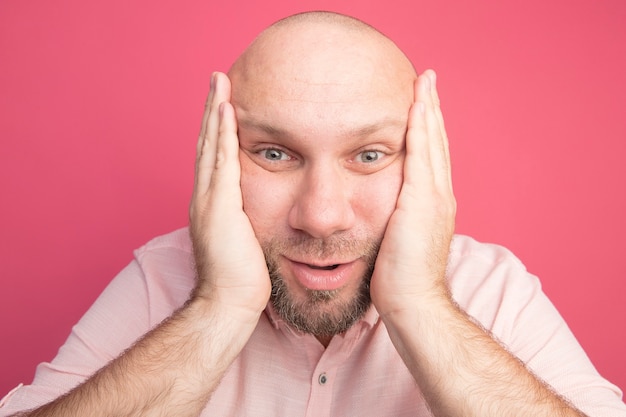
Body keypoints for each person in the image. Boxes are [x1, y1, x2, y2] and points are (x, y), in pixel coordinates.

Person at [1, 11, 625, 417]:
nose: (321, 216)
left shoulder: (490, 288)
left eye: (370, 154)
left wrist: (421, 307)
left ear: (424, 162)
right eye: (275, 153)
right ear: (219, 157)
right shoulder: (164, 279)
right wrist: (218, 308)